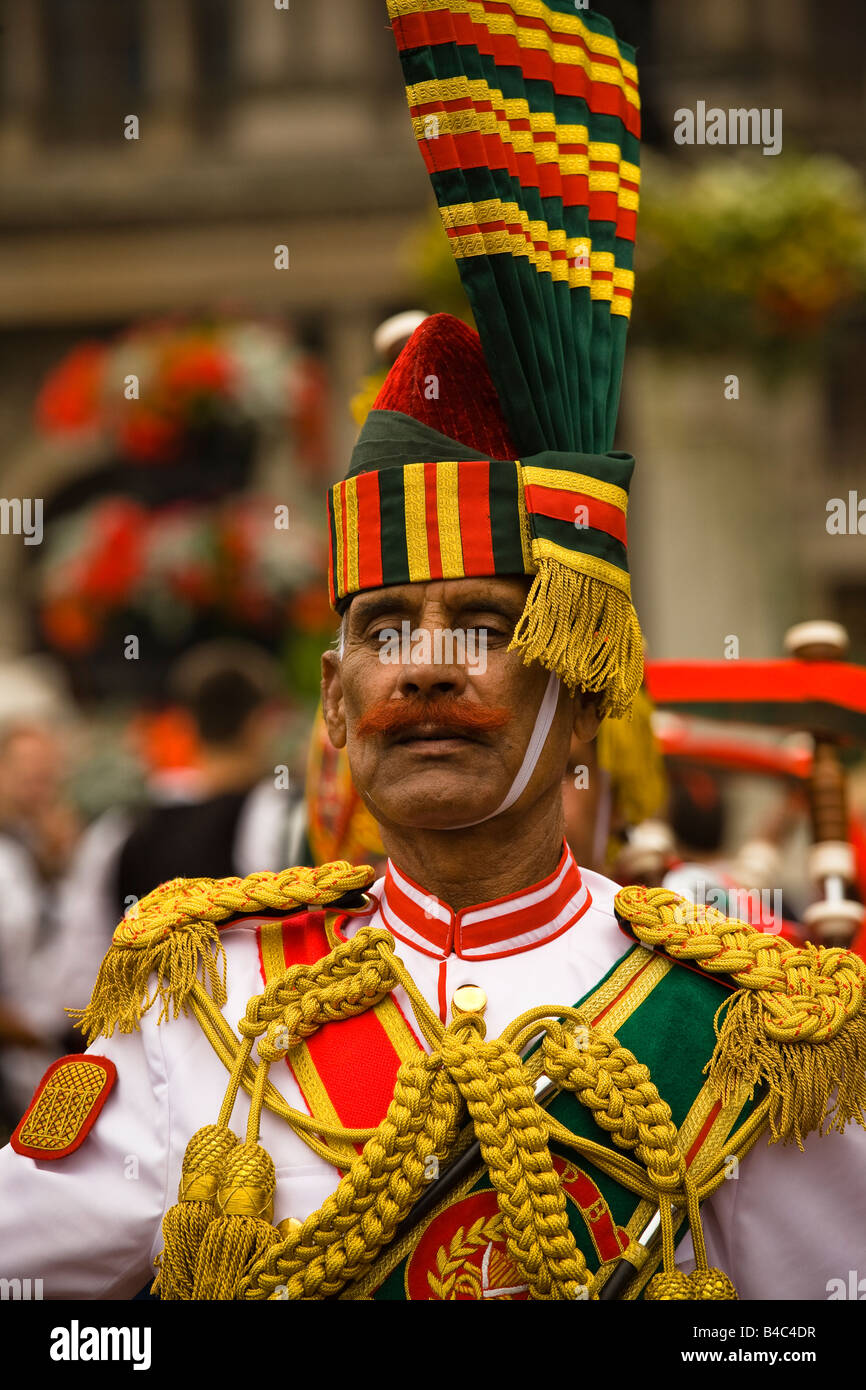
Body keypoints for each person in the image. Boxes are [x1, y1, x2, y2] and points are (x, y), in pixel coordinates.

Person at [2, 1, 865, 1303]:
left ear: (584, 703)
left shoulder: (748, 1025)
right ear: (335, 705)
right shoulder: (208, 999)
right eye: (382, 631)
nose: (423, 666)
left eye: (485, 626)